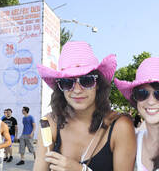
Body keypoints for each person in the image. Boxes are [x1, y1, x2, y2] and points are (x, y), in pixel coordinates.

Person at [34, 41, 136, 171]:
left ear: (98, 84)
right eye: (67, 82)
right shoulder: (50, 123)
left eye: (86, 80)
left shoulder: (120, 126)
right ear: (60, 88)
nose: (77, 90)